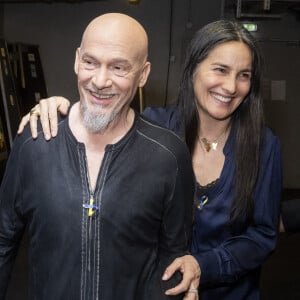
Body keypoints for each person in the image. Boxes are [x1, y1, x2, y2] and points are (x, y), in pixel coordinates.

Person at [18, 20, 283, 300]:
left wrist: (202, 265)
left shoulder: (264, 146)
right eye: (220, 70)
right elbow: (99, 117)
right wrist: (58, 110)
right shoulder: (154, 129)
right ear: (193, 68)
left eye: (244, 75)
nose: (230, 86)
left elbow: (263, 235)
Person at [0, 13, 198, 300]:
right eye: (91, 62)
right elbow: (3, 241)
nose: (100, 81)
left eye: (118, 67)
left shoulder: (168, 155)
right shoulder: (34, 144)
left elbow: (173, 258)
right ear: (77, 59)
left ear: (143, 74)